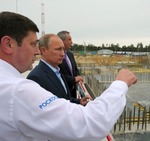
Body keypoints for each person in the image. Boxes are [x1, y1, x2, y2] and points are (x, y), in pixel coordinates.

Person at [0, 11, 137, 141]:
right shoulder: (16, 90)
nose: (36, 51)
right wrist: (120, 84)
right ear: (8, 44)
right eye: (33, 44)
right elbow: (89, 123)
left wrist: (77, 102)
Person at [27, 34, 90, 106]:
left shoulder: (58, 72)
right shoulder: (35, 77)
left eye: (63, 49)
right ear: (43, 50)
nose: (62, 54)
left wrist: (79, 102)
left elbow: (65, 99)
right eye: (58, 49)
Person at [57, 30, 83, 98]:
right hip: (63, 94)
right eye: (69, 40)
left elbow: (75, 70)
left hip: (73, 93)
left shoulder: (70, 54)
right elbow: (59, 75)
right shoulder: (56, 57)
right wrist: (74, 79)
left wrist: (79, 78)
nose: (72, 42)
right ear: (61, 41)